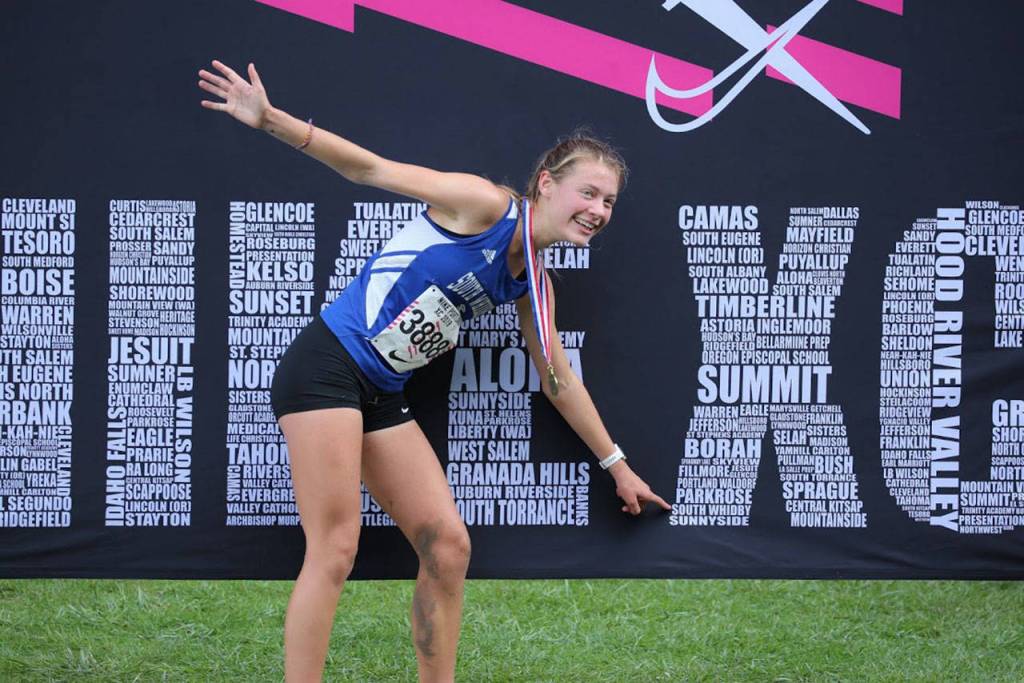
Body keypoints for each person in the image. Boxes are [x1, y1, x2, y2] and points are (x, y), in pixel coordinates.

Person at [199, 60, 671, 683]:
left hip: (380, 391)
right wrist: (273, 121)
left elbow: (558, 380)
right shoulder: (484, 205)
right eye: (588, 192)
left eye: (609, 201)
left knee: (448, 546)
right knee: (337, 547)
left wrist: (619, 467)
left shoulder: (534, 284)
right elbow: (369, 168)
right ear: (545, 185)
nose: (598, 209)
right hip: (327, 367)